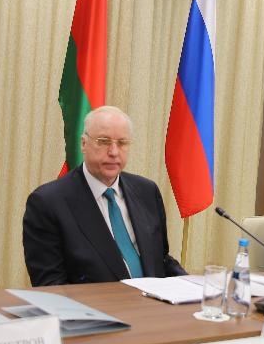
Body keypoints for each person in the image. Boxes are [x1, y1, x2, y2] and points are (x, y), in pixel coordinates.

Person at [23, 106, 185, 285]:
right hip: (95, 303)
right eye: (103, 141)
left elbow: (160, 259)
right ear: (83, 144)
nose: (114, 152)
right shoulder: (47, 203)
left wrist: (194, 286)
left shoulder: (147, 191)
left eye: (122, 143)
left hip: (151, 300)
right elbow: (51, 285)